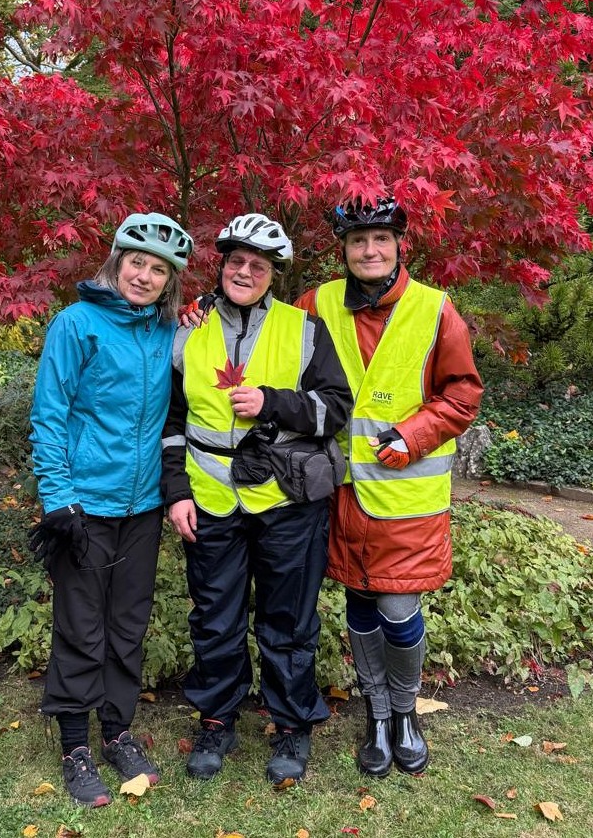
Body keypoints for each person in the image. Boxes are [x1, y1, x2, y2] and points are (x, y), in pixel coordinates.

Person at [161, 213, 353, 785]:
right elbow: (170, 421)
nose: (245, 271)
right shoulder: (187, 330)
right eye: (236, 261)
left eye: (259, 265)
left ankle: (291, 723)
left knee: (288, 620)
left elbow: (335, 410)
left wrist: (273, 401)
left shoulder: (304, 330)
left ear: (274, 275)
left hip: (285, 501)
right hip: (210, 498)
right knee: (215, 619)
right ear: (220, 266)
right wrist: (175, 493)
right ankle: (217, 719)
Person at [297, 196, 483, 778]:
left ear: (399, 244)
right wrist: (205, 312)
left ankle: (405, 712)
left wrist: (415, 434)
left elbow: (462, 392)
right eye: (357, 241)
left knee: (400, 610)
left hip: (407, 496)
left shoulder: (435, 309)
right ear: (344, 249)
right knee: (359, 604)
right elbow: (264, 345)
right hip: (340, 493)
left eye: (380, 239)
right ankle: (377, 715)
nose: (369, 250)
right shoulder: (318, 303)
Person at [29, 212, 194, 808]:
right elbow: (49, 415)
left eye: (159, 269)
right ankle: (75, 743)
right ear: (116, 262)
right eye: (137, 262)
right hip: (85, 505)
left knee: (128, 625)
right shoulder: (77, 324)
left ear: (170, 280)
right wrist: (58, 498)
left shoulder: (167, 332)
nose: (145, 276)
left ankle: (117, 731)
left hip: (144, 505)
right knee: (81, 625)